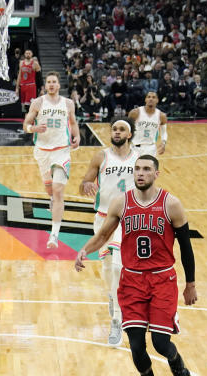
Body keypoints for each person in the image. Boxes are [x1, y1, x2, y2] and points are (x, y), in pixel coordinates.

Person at [74, 155, 197, 376]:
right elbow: (104, 234)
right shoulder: (122, 203)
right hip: (131, 280)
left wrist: (190, 284)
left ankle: (176, 362)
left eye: (146, 169)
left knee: (161, 344)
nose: (140, 173)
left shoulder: (171, 204)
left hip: (163, 278)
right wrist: (85, 250)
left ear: (156, 174)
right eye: (137, 169)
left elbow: (186, 248)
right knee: (138, 346)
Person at [79, 118, 137, 347]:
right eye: (114, 128)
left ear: (129, 134)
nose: (117, 132)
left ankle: (116, 320)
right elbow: (84, 181)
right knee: (107, 265)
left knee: (117, 265)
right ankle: (113, 298)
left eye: (121, 129)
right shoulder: (100, 157)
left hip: (128, 218)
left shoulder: (138, 158)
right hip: (103, 217)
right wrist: (86, 186)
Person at [23, 72, 81, 249]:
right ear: (45, 85)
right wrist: (33, 128)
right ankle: (51, 198)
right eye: (48, 82)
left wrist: (76, 136)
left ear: (59, 85)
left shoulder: (68, 103)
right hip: (42, 151)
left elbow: (73, 122)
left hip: (62, 151)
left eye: (54, 82)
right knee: (49, 187)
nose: (51, 84)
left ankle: (54, 235)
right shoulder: (38, 102)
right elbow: (26, 125)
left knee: (58, 191)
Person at [128, 91, 168, 156]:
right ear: (145, 99)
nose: (151, 99)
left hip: (151, 148)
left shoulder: (161, 116)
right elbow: (127, 129)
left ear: (157, 100)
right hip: (135, 147)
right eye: (148, 97)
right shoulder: (135, 112)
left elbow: (164, 132)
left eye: (153, 97)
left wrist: (163, 143)